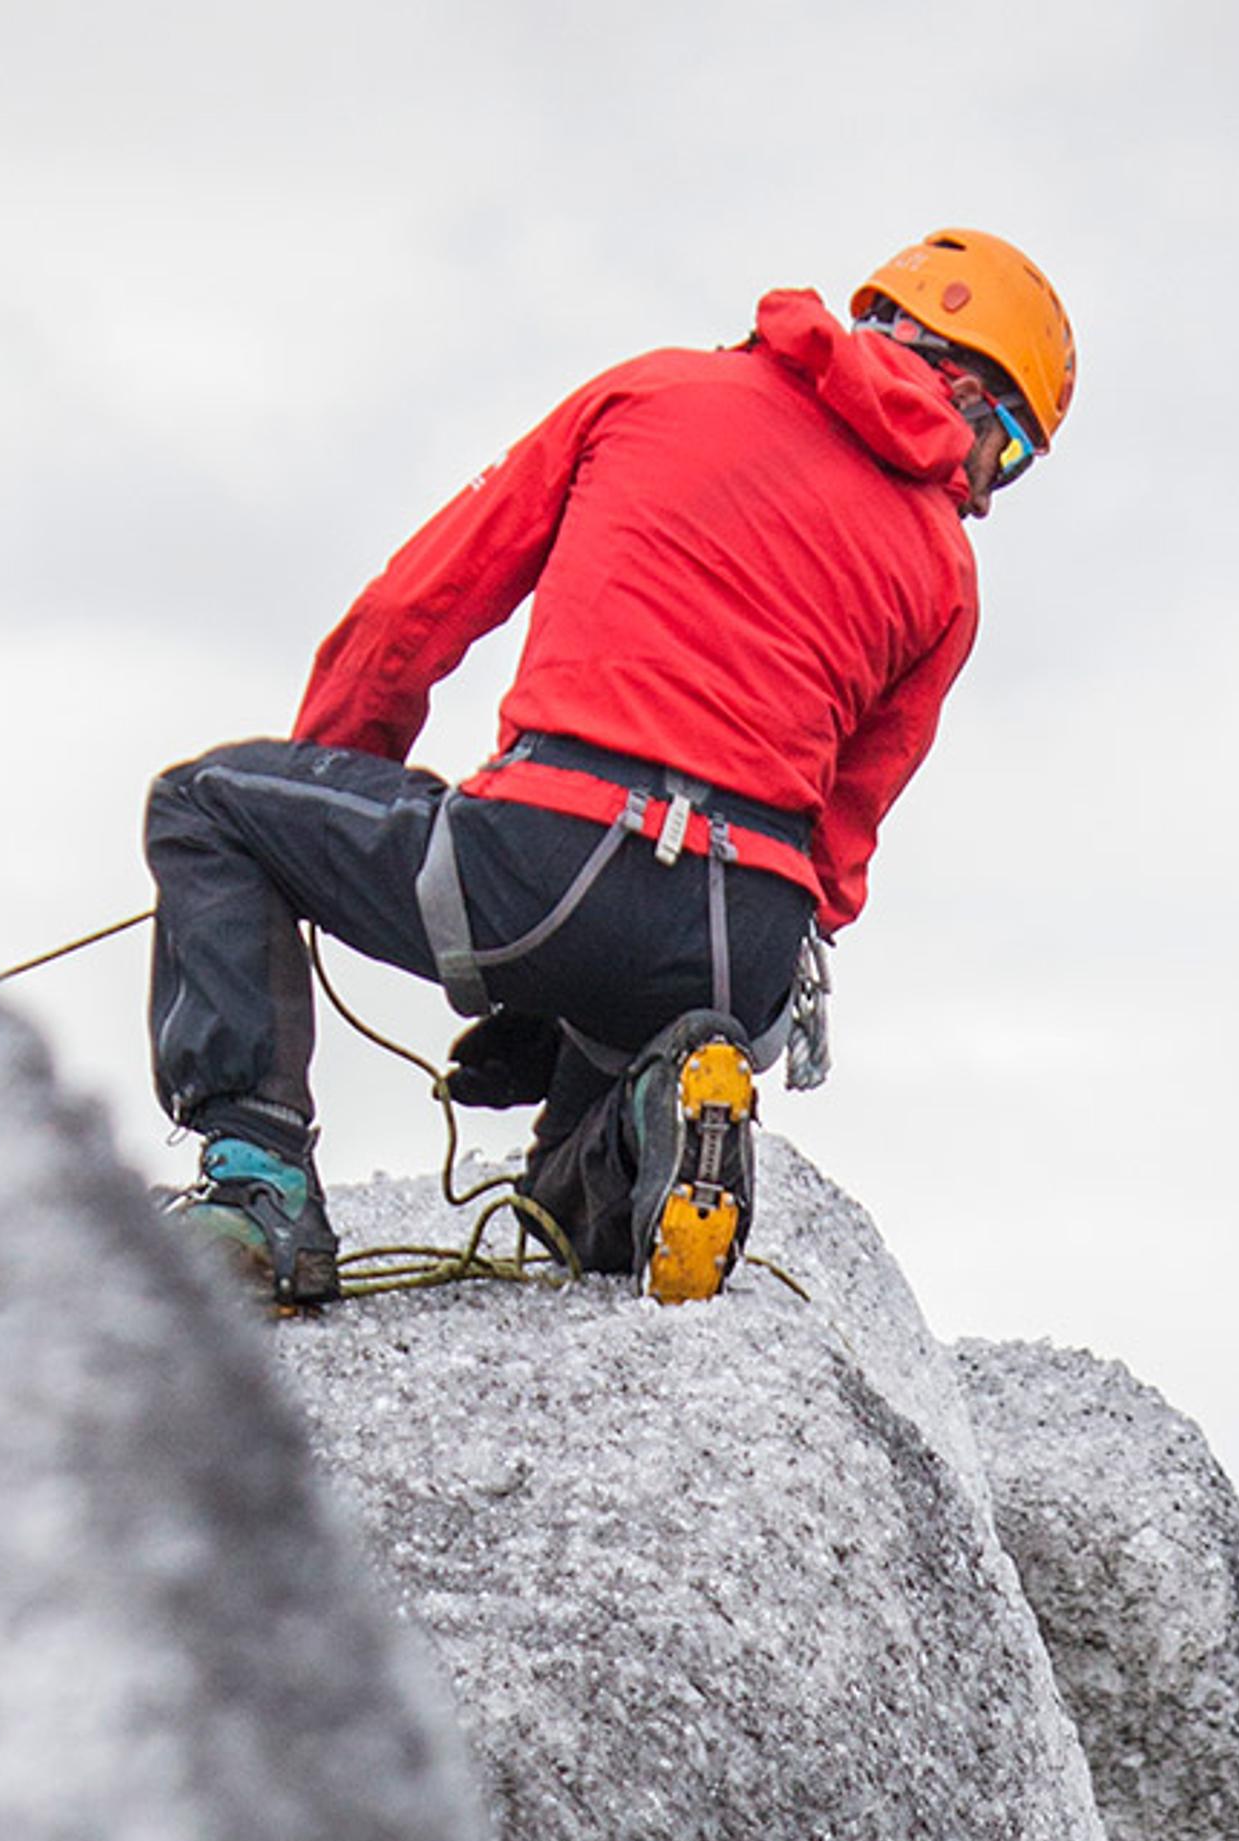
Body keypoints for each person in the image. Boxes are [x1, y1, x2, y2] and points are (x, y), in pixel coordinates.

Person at [138, 230, 1073, 1313]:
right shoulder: (945, 572)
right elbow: (841, 848)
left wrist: (337, 803)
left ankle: (260, 1195)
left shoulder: (654, 392)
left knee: (206, 809)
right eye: (1002, 450)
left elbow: (411, 616)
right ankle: (648, 1125)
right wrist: (592, 980)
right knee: (559, 1209)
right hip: (740, 951)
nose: (989, 492)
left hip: (548, 855)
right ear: (950, 374)